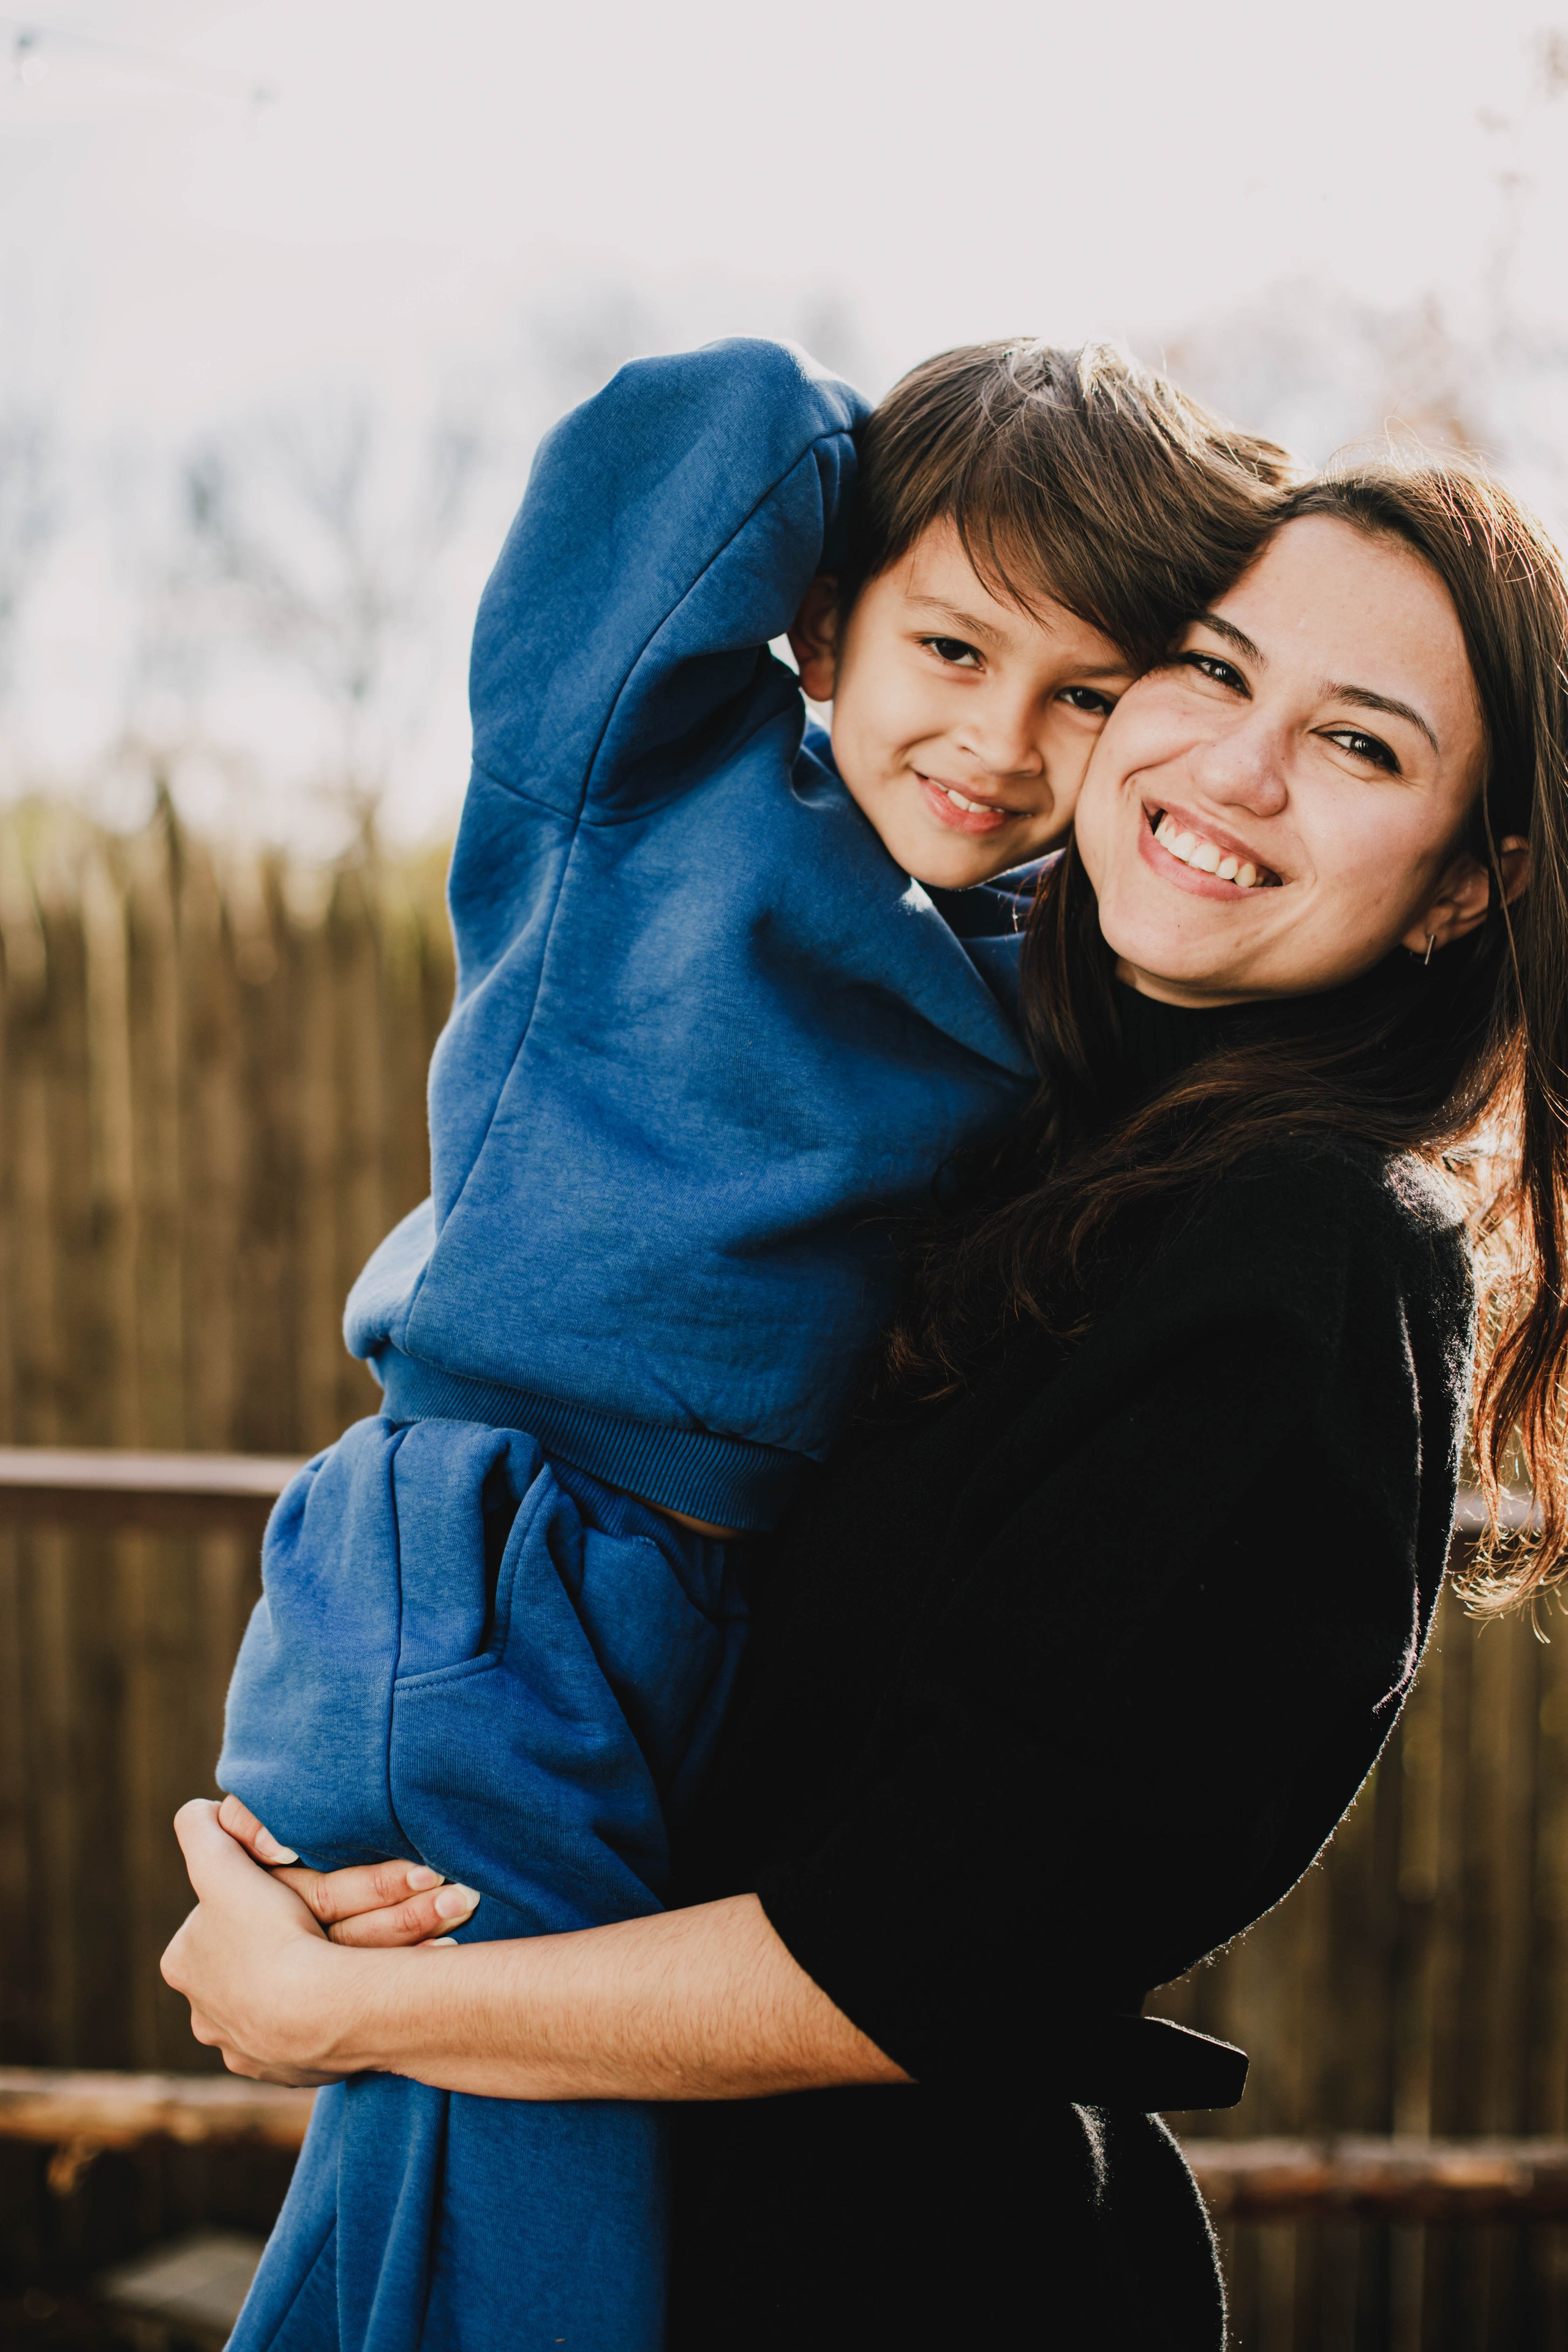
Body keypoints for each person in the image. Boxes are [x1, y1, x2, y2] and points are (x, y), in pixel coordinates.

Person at [167, 449, 1568, 2348]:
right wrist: (358, 1822)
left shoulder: (1306, 1249)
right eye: (1213, 671)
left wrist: (351, 2009)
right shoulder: (1028, 1132)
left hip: (886, 2277)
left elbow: (932, 1944)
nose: (1238, 770)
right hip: (675, 2201)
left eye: (1361, 746)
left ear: (1467, 888)